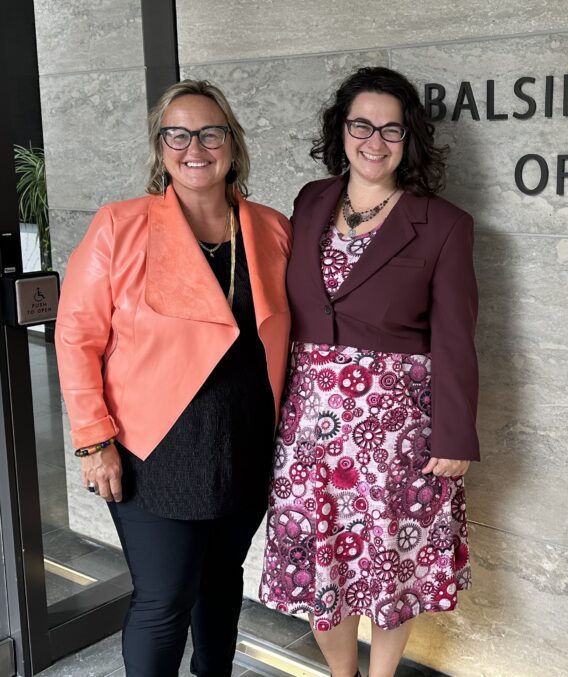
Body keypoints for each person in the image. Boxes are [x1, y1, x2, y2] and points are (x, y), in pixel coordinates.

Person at [55, 80, 291, 676]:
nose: (195, 147)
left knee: (221, 587)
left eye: (210, 133)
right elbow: (77, 336)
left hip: (243, 443)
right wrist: (93, 439)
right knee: (164, 601)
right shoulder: (120, 226)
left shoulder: (269, 229)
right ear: (160, 148)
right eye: (177, 134)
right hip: (150, 447)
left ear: (232, 144)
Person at [259, 66, 479, 677]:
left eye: (391, 129)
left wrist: (454, 436)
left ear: (409, 140)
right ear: (342, 129)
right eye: (362, 124)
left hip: (396, 430)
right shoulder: (310, 200)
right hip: (309, 425)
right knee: (314, 559)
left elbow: (457, 336)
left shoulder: (444, 224)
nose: (374, 140)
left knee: (389, 566)